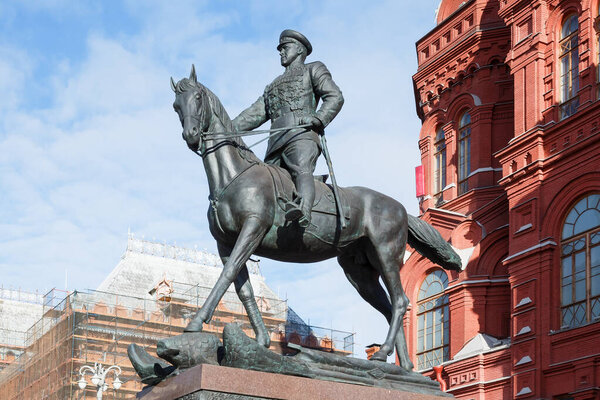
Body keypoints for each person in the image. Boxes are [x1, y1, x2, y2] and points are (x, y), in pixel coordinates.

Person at [232, 29, 344, 228]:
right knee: (265, 182)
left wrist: (319, 117)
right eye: (280, 49)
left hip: (301, 135)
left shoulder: (313, 69)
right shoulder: (272, 86)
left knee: (301, 169)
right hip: (276, 142)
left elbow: (334, 96)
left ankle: (304, 211)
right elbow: (253, 114)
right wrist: (226, 128)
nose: (281, 52)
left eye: (285, 48)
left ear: (299, 49)